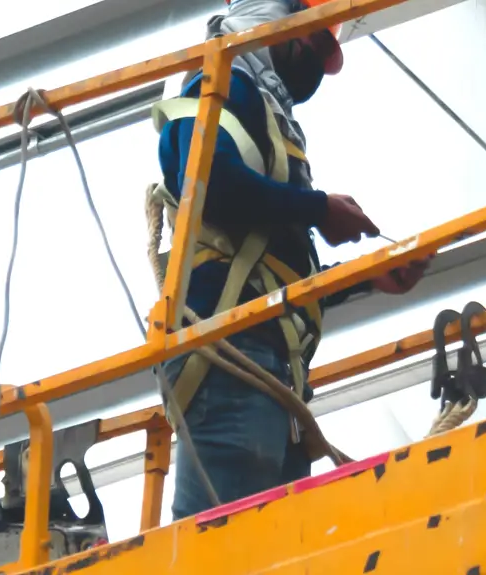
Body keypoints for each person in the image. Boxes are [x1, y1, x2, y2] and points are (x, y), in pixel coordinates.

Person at [151, 0, 430, 519]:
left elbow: (278, 271)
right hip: (233, 352)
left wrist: (366, 276)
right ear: (278, 22)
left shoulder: (262, 111)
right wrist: (318, 208)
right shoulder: (222, 82)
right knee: (220, 550)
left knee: (256, 549)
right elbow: (208, 183)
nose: (314, 59)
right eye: (313, 40)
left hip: (270, 367)